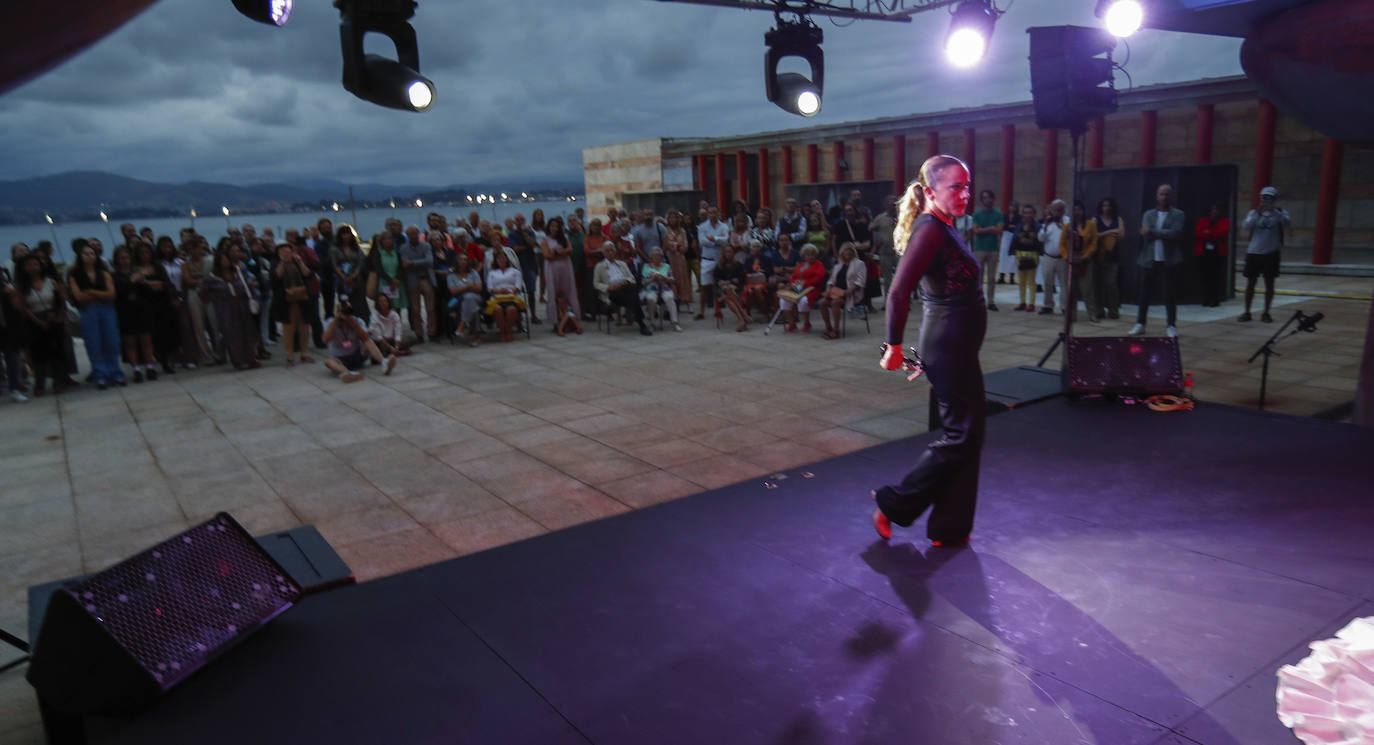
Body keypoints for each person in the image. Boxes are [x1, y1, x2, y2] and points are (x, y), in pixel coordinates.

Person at [873, 154, 986, 547]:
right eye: (956, 187)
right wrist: (894, 346)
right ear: (930, 191)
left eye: (967, 185)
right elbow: (899, 292)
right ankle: (893, 504)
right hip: (949, 348)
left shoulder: (944, 227)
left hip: (955, 348)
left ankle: (950, 527)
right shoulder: (930, 229)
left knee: (968, 436)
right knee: (961, 436)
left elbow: (941, 293)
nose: (965, 194)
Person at [1130, 184, 1186, 337]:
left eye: (1167, 194)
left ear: (1171, 196)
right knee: (1144, 293)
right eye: (1162, 194)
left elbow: (1175, 233)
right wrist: (1157, 233)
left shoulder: (1178, 214)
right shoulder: (1148, 214)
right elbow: (1144, 234)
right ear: (1157, 196)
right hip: (1149, 258)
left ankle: (1171, 325)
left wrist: (1153, 231)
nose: (1164, 197)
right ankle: (1140, 323)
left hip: (1170, 259)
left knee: (1170, 294)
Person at [67, 242, 124, 388]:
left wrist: (91, 293)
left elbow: (111, 293)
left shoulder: (104, 273)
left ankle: (115, 372)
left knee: (111, 341)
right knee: (94, 343)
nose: (89, 257)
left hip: (106, 309)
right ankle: (100, 375)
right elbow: (78, 296)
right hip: (88, 310)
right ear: (80, 257)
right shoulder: (74, 275)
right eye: (86, 254)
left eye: (92, 253)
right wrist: (98, 295)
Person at [14, 254, 70, 396]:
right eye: (29, 265)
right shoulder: (22, 287)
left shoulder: (51, 282)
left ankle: (58, 381)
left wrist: (59, 316)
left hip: (53, 317)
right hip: (33, 321)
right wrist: (37, 320)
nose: (33, 268)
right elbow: (23, 307)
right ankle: (40, 383)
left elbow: (61, 300)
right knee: (38, 354)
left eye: (35, 264)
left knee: (56, 351)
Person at [1240, 186, 1290, 322]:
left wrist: (1274, 211)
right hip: (1254, 252)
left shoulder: (1280, 212)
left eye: (1269, 198)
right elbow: (1246, 226)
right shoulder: (1253, 213)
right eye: (1264, 198)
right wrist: (1258, 213)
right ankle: (1247, 312)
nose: (1266, 201)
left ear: (1274, 199)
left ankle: (1266, 312)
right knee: (1251, 282)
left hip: (1271, 252)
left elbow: (1287, 223)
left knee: (1269, 283)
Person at [323, 299, 395, 383]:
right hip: (340, 359)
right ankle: (347, 373)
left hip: (357, 354)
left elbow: (365, 337)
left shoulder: (357, 321)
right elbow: (325, 340)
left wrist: (353, 324)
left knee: (368, 341)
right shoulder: (329, 322)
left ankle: (384, 363)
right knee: (328, 361)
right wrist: (335, 320)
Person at [594, 244, 652, 336]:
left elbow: (631, 278)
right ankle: (641, 322)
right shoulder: (599, 266)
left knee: (632, 288)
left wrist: (623, 283)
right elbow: (596, 284)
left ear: (615, 251)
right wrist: (609, 287)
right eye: (607, 251)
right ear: (604, 253)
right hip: (612, 292)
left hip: (625, 289)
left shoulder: (622, 264)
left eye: (611, 250)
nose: (610, 253)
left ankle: (640, 322)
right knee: (634, 293)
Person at [272, 242, 314, 366]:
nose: (287, 254)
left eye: (288, 251)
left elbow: (308, 275)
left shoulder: (297, 262)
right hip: (286, 301)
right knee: (289, 329)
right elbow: (275, 278)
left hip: (302, 299)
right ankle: (289, 355)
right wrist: (282, 262)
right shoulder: (276, 264)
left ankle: (304, 353)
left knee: (304, 327)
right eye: (283, 252)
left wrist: (300, 261)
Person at [818, 242, 867, 340]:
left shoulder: (859, 264)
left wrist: (848, 291)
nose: (847, 252)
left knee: (835, 303)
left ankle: (836, 331)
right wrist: (829, 290)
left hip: (850, 293)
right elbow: (831, 280)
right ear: (842, 252)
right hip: (836, 292)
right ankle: (829, 328)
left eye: (850, 250)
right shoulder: (838, 265)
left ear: (853, 252)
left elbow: (860, 281)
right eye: (845, 250)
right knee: (822, 302)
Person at [541, 216, 582, 334]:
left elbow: (569, 250)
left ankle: (571, 320)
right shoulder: (545, 240)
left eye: (556, 226)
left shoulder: (564, 238)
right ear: (549, 228)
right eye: (552, 226)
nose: (554, 228)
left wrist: (557, 253)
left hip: (565, 268)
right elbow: (547, 255)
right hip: (552, 269)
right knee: (553, 293)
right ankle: (556, 321)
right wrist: (560, 253)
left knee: (568, 291)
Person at [1061, 201, 1098, 322]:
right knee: (1070, 290)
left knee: (1087, 289)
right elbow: (1062, 244)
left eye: (1079, 209)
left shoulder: (1091, 225)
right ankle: (1071, 314)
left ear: (1083, 211)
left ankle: (1092, 314)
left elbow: (1094, 243)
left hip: (1085, 261)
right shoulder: (1067, 226)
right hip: (1070, 261)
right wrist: (1067, 256)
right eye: (1074, 210)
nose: (1077, 212)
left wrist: (1086, 256)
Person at [969, 190, 1004, 311]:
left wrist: (984, 229)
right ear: (982, 200)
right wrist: (991, 228)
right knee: (978, 277)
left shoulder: (998, 214)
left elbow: (999, 230)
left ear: (993, 199)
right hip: (980, 248)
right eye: (984, 198)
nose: (987, 200)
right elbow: (976, 231)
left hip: (993, 248)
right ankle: (978, 300)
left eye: (989, 197)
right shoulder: (977, 214)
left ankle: (991, 301)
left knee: (991, 276)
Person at [779, 244, 826, 333]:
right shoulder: (801, 265)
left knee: (803, 300)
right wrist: (794, 283)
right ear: (804, 256)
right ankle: (792, 324)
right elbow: (794, 277)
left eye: (812, 254)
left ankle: (807, 323)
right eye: (807, 254)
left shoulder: (819, 264)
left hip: (811, 289)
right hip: (797, 289)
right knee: (783, 300)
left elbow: (820, 277)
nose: (810, 256)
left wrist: (805, 283)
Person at [1091, 198, 1125, 320]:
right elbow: (1093, 236)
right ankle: (1099, 310)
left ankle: (1113, 310)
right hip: (1098, 255)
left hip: (1113, 256)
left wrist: (1104, 233)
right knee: (1097, 284)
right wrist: (1110, 232)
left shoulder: (1118, 219)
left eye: (1109, 205)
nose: (1106, 208)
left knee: (1111, 284)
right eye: (1104, 205)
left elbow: (1121, 234)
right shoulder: (1095, 219)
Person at [485, 249, 527, 342]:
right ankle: (502, 331)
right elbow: (490, 288)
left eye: (503, 258)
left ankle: (509, 331)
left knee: (511, 309)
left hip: (512, 296)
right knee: (497, 309)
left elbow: (518, 286)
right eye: (499, 259)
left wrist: (509, 291)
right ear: (496, 261)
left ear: (507, 260)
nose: (501, 261)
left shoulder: (515, 272)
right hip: (497, 297)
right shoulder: (492, 273)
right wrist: (499, 291)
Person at [696, 206, 730, 319]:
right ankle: (701, 312)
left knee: (718, 287)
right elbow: (703, 242)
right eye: (710, 213)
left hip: (720, 260)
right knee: (705, 287)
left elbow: (725, 240)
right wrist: (717, 240)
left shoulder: (724, 226)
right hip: (707, 260)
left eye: (715, 212)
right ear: (708, 214)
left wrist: (713, 238)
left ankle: (718, 310)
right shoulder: (702, 227)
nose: (712, 215)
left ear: (718, 213)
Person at [1036, 200, 1068, 315]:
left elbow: (1071, 236)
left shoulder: (1068, 221)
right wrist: (1046, 226)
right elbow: (1040, 238)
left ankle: (1064, 307)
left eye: (1059, 209)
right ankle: (1048, 305)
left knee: (1064, 284)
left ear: (1064, 210)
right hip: (1048, 257)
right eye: (1055, 209)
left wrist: (1062, 226)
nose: (1057, 212)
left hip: (1063, 257)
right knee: (1047, 282)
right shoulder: (1047, 223)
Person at [1195, 203, 1231, 308]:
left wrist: (1208, 233)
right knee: (1204, 276)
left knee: (1215, 276)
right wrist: (1212, 233)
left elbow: (1222, 233)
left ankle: (1214, 298)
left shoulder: (1224, 221)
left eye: (1217, 210)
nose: (1215, 212)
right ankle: (1205, 297)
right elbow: (1198, 233)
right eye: (1213, 209)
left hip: (1218, 253)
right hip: (1204, 252)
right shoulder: (1203, 220)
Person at [446, 252, 486, 346]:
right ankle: (476, 338)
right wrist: (468, 287)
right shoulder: (451, 276)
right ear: (456, 261)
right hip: (458, 300)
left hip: (476, 297)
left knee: (469, 299)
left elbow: (479, 288)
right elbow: (453, 291)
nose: (463, 261)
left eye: (465, 259)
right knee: (473, 307)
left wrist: (462, 289)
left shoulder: (473, 273)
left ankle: (462, 324)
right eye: (461, 259)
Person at [641, 248, 682, 331]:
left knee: (669, 298)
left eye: (658, 255)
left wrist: (664, 278)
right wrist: (652, 278)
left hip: (665, 288)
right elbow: (643, 282)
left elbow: (672, 280)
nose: (656, 257)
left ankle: (675, 322)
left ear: (661, 256)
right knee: (651, 298)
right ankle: (651, 323)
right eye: (654, 255)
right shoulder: (646, 267)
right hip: (651, 288)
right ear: (651, 257)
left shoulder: (667, 266)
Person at [714, 244, 750, 332]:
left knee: (727, 296)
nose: (728, 254)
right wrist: (723, 283)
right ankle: (743, 316)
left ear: (733, 253)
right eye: (726, 252)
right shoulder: (719, 266)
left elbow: (741, 278)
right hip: (724, 289)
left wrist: (731, 282)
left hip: (737, 288)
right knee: (727, 290)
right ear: (723, 253)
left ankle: (741, 319)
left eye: (730, 252)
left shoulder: (738, 265)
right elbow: (716, 279)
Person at [1012, 205, 1041, 311]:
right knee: (1021, 281)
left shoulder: (1037, 226)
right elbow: (1015, 237)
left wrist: (1032, 241)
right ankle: (1022, 302)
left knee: (1031, 281)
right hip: (1020, 254)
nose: (1027, 215)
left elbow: (1040, 239)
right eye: (1025, 212)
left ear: (1034, 214)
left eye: (1030, 212)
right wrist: (1021, 240)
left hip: (1032, 255)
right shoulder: (1020, 225)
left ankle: (1032, 303)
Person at [870, 196, 899, 293]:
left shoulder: (903, 216)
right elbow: (871, 228)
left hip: (901, 253)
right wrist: (877, 240)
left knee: (902, 277)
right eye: (890, 205)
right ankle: (887, 300)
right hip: (885, 252)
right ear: (886, 206)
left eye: (894, 205)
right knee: (887, 279)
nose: (892, 207)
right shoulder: (880, 218)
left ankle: (903, 300)